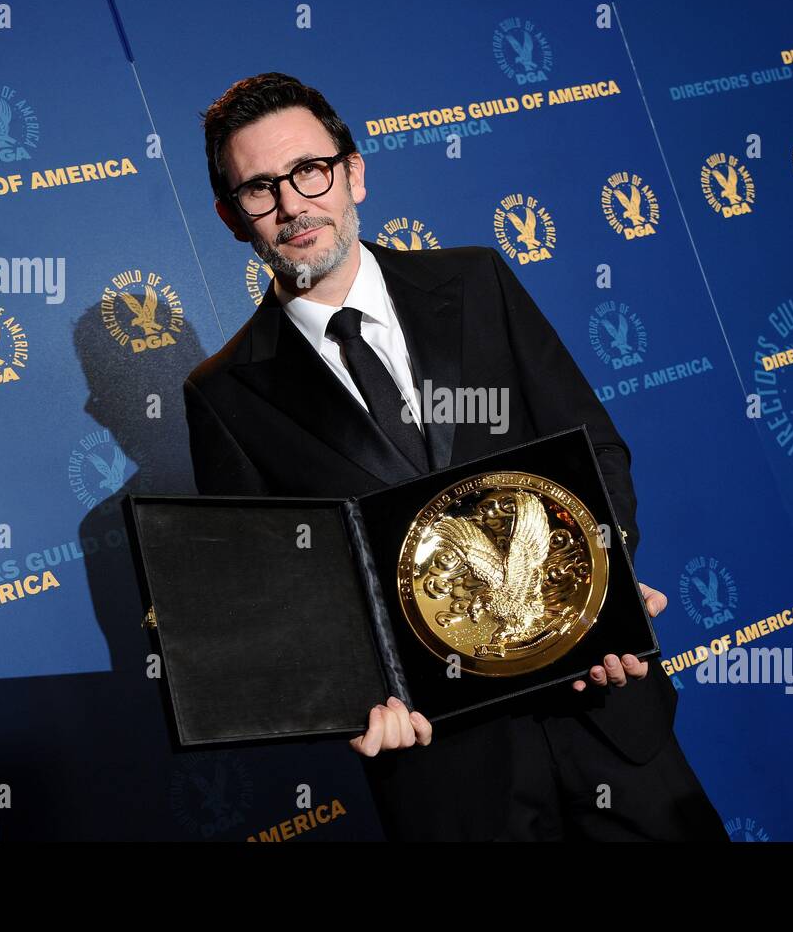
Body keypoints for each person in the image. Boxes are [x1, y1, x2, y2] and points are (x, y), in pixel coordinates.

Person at [185, 72, 727, 841]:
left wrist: (603, 596)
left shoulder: (476, 280)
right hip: (452, 774)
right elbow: (272, 601)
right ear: (232, 217)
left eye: (310, 170)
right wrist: (352, 697)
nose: (294, 204)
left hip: (603, 708)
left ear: (354, 172)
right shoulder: (223, 396)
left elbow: (594, 446)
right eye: (260, 188)